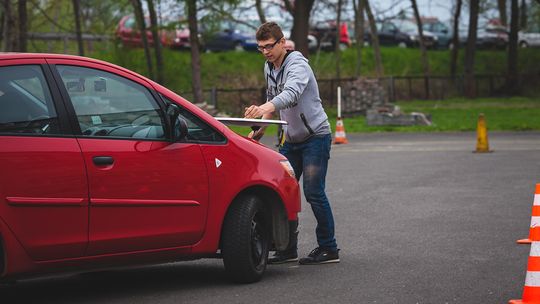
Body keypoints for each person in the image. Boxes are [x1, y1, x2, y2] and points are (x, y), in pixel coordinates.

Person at [244, 22, 339, 265]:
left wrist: (264, 108)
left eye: (269, 46)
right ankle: (287, 249)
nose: (265, 52)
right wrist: (262, 127)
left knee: (313, 191)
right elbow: (272, 96)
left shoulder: (298, 64)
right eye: (260, 48)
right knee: (282, 190)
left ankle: (329, 248)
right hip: (291, 140)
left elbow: (291, 93)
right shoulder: (269, 66)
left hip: (315, 137)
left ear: (282, 42)